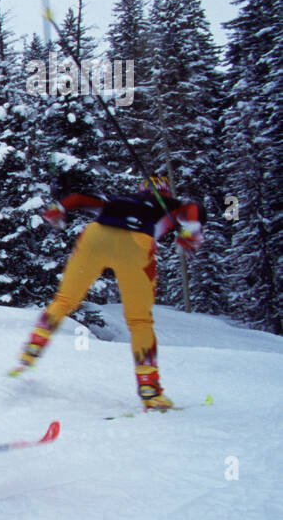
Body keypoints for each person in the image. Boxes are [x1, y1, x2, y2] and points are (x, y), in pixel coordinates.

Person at [13, 175, 205, 408]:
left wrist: (59, 208)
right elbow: (193, 208)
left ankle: (33, 346)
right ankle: (149, 387)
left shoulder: (118, 199)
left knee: (65, 300)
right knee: (139, 321)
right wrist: (191, 231)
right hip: (136, 244)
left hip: (96, 235)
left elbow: (79, 198)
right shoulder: (169, 205)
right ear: (166, 191)